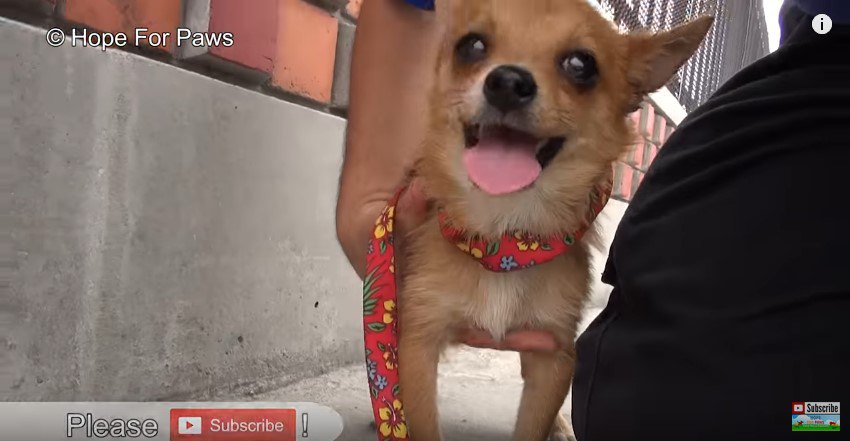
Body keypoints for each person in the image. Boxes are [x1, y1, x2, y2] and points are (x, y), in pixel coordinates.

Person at [336, 0, 850, 439]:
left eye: (577, 67)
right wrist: (373, 194)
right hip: (829, 46)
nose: (512, 80)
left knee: (801, 417)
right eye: (475, 49)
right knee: (663, 411)